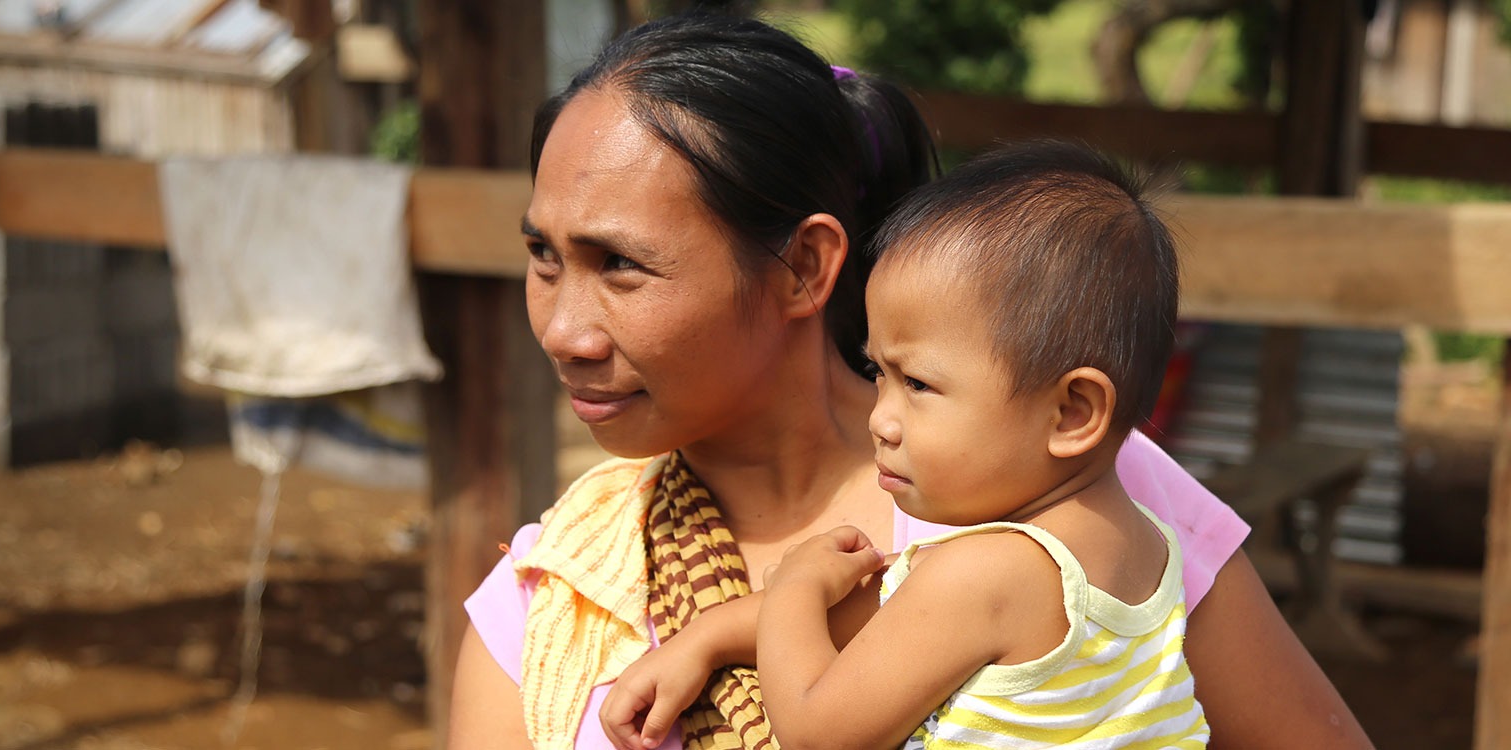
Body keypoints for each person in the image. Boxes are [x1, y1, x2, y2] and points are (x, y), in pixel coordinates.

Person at [450, 13, 1370, 750]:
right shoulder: (555, 599)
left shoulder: (1081, 488)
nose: (563, 329)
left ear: (806, 267)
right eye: (542, 255)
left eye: (619, 265)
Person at [604, 140, 1210, 749]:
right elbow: (878, 612)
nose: (881, 420)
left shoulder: (982, 576)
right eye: (879, 376)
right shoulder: (1145, 548)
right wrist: (704, 639)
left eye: (918, 384)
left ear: (1073, 413)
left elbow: (817, 735)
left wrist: (793, 590)